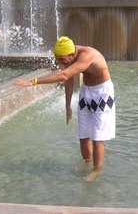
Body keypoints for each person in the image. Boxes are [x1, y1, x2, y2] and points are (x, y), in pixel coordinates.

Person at [13, 36, 115, 181]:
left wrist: (33, 81)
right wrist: (67, 106)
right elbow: (68, 79)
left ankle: (97, 170)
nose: (59, 63)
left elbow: (64, 74)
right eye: (57, 59)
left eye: (61, 59)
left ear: (72, 55)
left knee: (97, 137)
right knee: (83, 133)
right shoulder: (69, 54)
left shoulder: (87, 55)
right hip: (86, 91)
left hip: (102, 93)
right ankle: (87, 163)